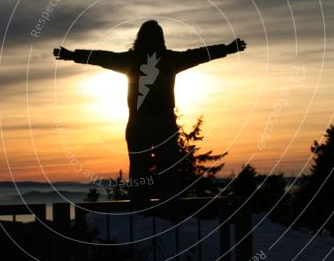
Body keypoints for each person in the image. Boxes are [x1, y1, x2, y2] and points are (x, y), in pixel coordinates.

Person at [54, 20, 246, 206]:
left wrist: (72, 55)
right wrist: (228, 49)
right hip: (163, 123)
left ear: (139, 38)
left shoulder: (130, 60)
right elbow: (199, 55)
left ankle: (140, 208)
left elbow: (101, 57)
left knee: (139, 171)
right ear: (161, 39)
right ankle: (169, 211)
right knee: (168, 170)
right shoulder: (170, 59)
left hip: (139, 124)